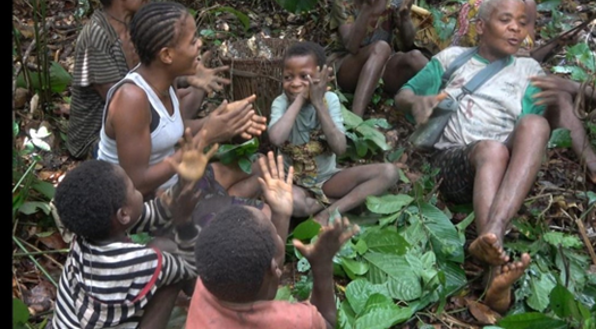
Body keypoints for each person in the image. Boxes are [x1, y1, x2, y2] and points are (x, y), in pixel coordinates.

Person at [395, 0, 546, 313]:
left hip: (505, 156)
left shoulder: (530, 68)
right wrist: (417, 103)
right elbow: (403, 94)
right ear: (480, 26)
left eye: (522, 23)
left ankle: (492, 234)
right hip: (455, 158)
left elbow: (527, 125)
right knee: (491, 151)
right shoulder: (452, 59)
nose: (516, 29)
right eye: (505, 20)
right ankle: (494, 269)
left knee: (535, 124)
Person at [450, 0, 596, 183]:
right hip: (479, 85)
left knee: (559, 92)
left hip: (515, 75)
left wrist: (555, 44)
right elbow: (469, 61)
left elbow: (526, 54)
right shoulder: (477, 9)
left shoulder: (527, 6)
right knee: (562, 89)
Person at [96, 1, 268, 227]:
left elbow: (169, 130)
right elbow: (136, 184)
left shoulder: (166, 81)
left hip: (176, 183)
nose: (200, 45)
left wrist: (221, 121)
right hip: (144, 207)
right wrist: (207, 135)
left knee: (261, 165)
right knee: (264, 216)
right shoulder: (132, 99)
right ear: (167, 55)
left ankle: (220, 208)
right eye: (192, 41)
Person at [67, 0, 229, 160]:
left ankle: (186, 133)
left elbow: (153, 74)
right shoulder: (97, 37)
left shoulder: (135, 26)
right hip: (97, 138)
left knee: (191, 92)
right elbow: (122, 104)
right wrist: (208, 128)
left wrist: (189, 77)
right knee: (177, 104)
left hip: (140, 114)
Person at [50, 129, 211, 329]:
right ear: (123, 214)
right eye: (132, 188)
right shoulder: (144, 263)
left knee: (164, 246)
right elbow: (191, 266)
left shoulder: (86, 235)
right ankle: (209, 309)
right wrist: (184, 221)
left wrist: (184, 184)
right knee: (175, 270)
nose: (137, 191)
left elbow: (156, 213)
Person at [185, 161, 360, 328]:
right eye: (275, 235)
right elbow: (327, 322)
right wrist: (322, 266)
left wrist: (280, 214)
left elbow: (266, 273)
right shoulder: (292, 321)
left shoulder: (209, 282)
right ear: (274, 269)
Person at [268, 41, 399, 225]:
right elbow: (276, 137)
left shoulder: (330, 100)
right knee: (295, 202)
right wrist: (299, 101)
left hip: (328, 180)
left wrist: (318, 104)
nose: (295, 83)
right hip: (295, 183)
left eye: (304, 76)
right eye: (288, 77)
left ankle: (328, 213)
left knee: (389, 172)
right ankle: (346, 203)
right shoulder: (281, 103)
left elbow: (339, 148)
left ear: (321, 77)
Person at [329, 0, 429, 117]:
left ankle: (451, 102)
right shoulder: (345, 1)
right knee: (381, 47)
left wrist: (405, 18)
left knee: (416, 57)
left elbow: (407, 44)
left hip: (381, 68)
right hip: (347, 69)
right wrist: (367, 7)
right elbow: (351, 46)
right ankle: (356, 120)